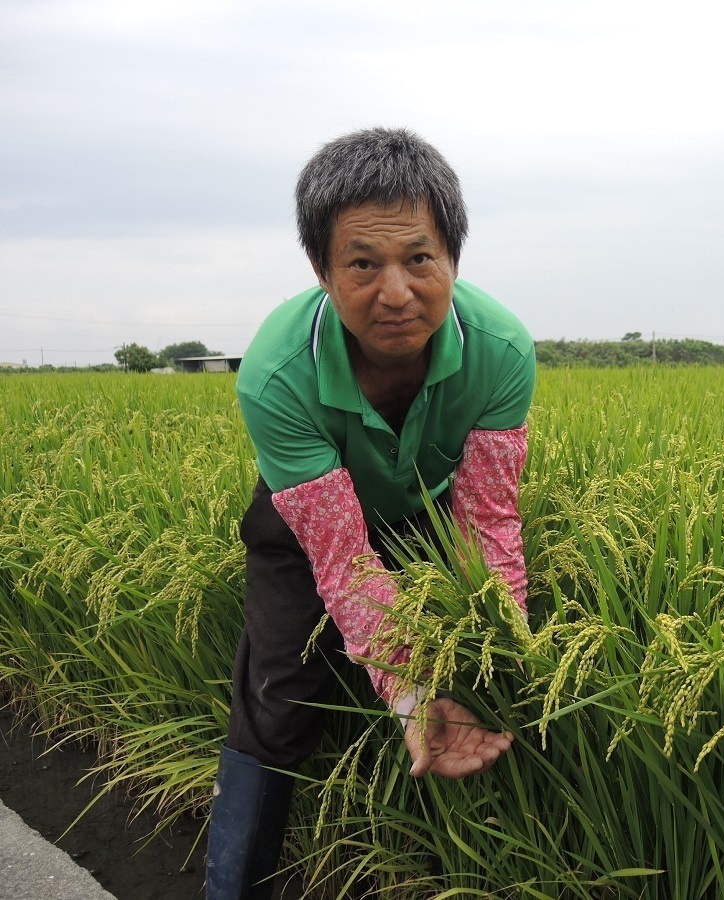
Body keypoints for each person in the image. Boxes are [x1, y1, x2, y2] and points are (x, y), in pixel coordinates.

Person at [206, 128, 536, 900]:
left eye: (420, 259)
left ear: (453, 258)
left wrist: (494, 641)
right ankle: (234, 884)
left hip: (430, 504)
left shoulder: (502, 350)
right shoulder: (276, 375)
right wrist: (411, 697)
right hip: (310, 521)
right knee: (281, 686)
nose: (396, 292)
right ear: (322, 271)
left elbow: (488, 520)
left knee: (487, 651)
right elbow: (345, 561)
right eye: (362, 264)